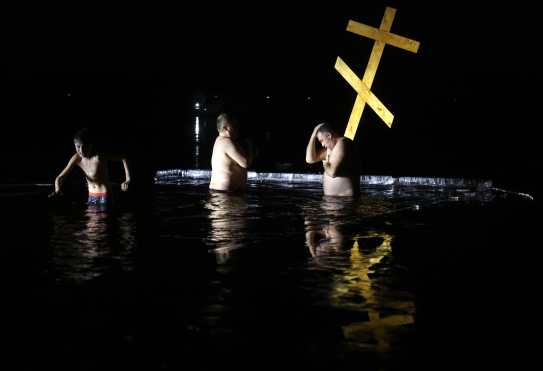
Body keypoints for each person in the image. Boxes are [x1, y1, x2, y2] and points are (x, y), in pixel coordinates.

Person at [49, 128, 131, 206]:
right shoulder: (76, 158)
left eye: (84, 146)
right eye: (78, 147)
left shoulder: (99, 156)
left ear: (90, 145)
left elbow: (123, 158)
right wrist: (57, 190)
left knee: (99, 220)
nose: (81, 150)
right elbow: (60, 178)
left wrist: (127, 180)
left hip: (104, 196)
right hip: (91, 196)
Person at [305, 122, 360, 197]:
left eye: (322, 140)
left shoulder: (343, 143)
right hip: (333, 201)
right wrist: (313, 135)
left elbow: (332, 173)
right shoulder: (330, 149)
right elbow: (310, 159)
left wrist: (325, 164)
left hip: (345, 201)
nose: (322, 144)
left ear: (328, 135)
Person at [209, 112, 251, 192]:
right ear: (225, 128)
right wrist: (250, 146)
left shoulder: (218, 140)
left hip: (219, 193)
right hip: (225, 195)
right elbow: (245, 163)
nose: (237, 128)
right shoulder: (226, 142)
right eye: (234, 126)